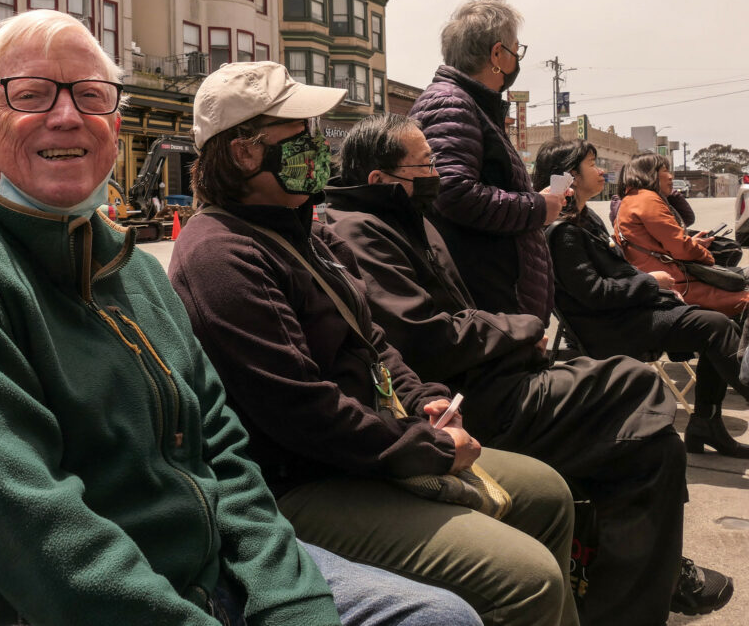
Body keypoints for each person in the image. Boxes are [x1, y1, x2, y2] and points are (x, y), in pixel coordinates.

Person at [0, 12, 482, 626]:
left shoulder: (135, 270)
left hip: (209, 574)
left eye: (91, 96)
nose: (66, 116)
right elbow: (40, 540)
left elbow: (224, 458)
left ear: (116, 131)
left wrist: (293, 605)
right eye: (30, 94)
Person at [169, 60, 581, 626]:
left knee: (547, 493)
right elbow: (304, 413)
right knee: (527, 579)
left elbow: (373, 340)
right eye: (300, 135)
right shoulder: (220, 254)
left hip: (369, 449)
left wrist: (424, 400)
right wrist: (428, 447)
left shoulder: (304, 228)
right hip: (305, 484)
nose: (318, 146)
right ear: (244, 152)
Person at [321, 114, 733, 624]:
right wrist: (519, 328)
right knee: (638, 383)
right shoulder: (362, 231)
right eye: (426, 165)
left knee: (656, 446)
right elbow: (426, 336)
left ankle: (647, 582)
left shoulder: (407, 218)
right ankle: (655, 580)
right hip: (470, 396)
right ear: (381, 180)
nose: (438, 176)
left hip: (500, 370)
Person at [534, 138, 749, 458]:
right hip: (611, 327)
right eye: (592, 164)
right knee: (714, 325)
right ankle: (706, 422)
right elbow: (594, 294)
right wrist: (652, 282)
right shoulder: (563, 231)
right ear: (571, 177)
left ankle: (706, 423)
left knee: (715, 324)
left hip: (629, 313)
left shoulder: (586, 219)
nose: (602, 170)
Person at [410, 0, 563, 323]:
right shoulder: (453, 104)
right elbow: (452, 192)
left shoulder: (468, 104)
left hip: (495, 297)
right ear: (497, 54)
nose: (516, 60)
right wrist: (538, 207)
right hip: (488, 299)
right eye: (515, 50)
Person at [614, 152, 749, 319]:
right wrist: (707, 256)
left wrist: (691, 242)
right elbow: (681, 248)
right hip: (677, 282)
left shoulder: (632, 198)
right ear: (649, 174)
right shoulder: (647, 199)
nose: (671, 177)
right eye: (665, 171)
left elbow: (661, 242)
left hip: (665, 276)